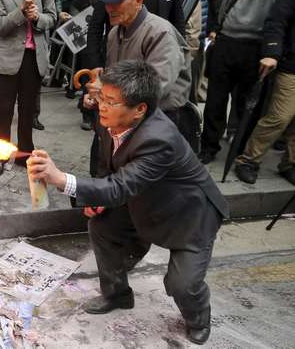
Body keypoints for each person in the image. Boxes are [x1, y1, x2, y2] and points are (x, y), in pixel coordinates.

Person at [28, 60, 229, 346]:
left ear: (140, 109)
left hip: (187, 215)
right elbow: (107, 167)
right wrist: (95, 198)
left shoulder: (158, 139)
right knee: (102, 227)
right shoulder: (112, 118)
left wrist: (61, 179)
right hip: (141, 198)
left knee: (181, 284)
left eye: (110, 101)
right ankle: (117, 294)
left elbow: (121, 185)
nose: (101, 106)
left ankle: (198, 318)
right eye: (101, 97)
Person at [199, 0, 291, 164]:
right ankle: (208, 147)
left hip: (254, 47)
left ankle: (239, 149)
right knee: (215, 100)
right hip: (226, 43)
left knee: (246, 104)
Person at [87, 0, 195, 150]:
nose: (109, 8)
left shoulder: (160, 32)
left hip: (158, 118)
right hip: (125, 115)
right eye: (106, 3)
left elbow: (155, 87)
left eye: (116, 2)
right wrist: (98, 94)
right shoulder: (115, 32)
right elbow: (115, 75)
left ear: (138, 0)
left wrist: (108, 94)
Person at [0, 0, 56, 175]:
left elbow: (52, 18)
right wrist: (21, 11)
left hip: (34, 57)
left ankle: (24, 153)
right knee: (3, 110)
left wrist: (37, 17)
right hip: (7, 58)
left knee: (28, 110)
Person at [234, 0, 295, 184]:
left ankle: (290, 163)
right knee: (280, 117)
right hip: (291, 66)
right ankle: (248, 160)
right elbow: (277, 21)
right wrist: (272, 52)